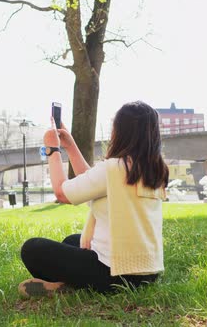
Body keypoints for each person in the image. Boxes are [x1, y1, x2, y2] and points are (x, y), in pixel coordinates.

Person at [18, 101, 169, 298]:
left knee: (33, 248)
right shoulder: (155, 170)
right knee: (72, 241)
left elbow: (62, 193)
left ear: (120, 132)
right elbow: (92, 184)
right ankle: (67, 284)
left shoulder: (114, 168)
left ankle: (69, 285)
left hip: (114, 275)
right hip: (147, 272)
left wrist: (52, 150)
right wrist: (70, 146)